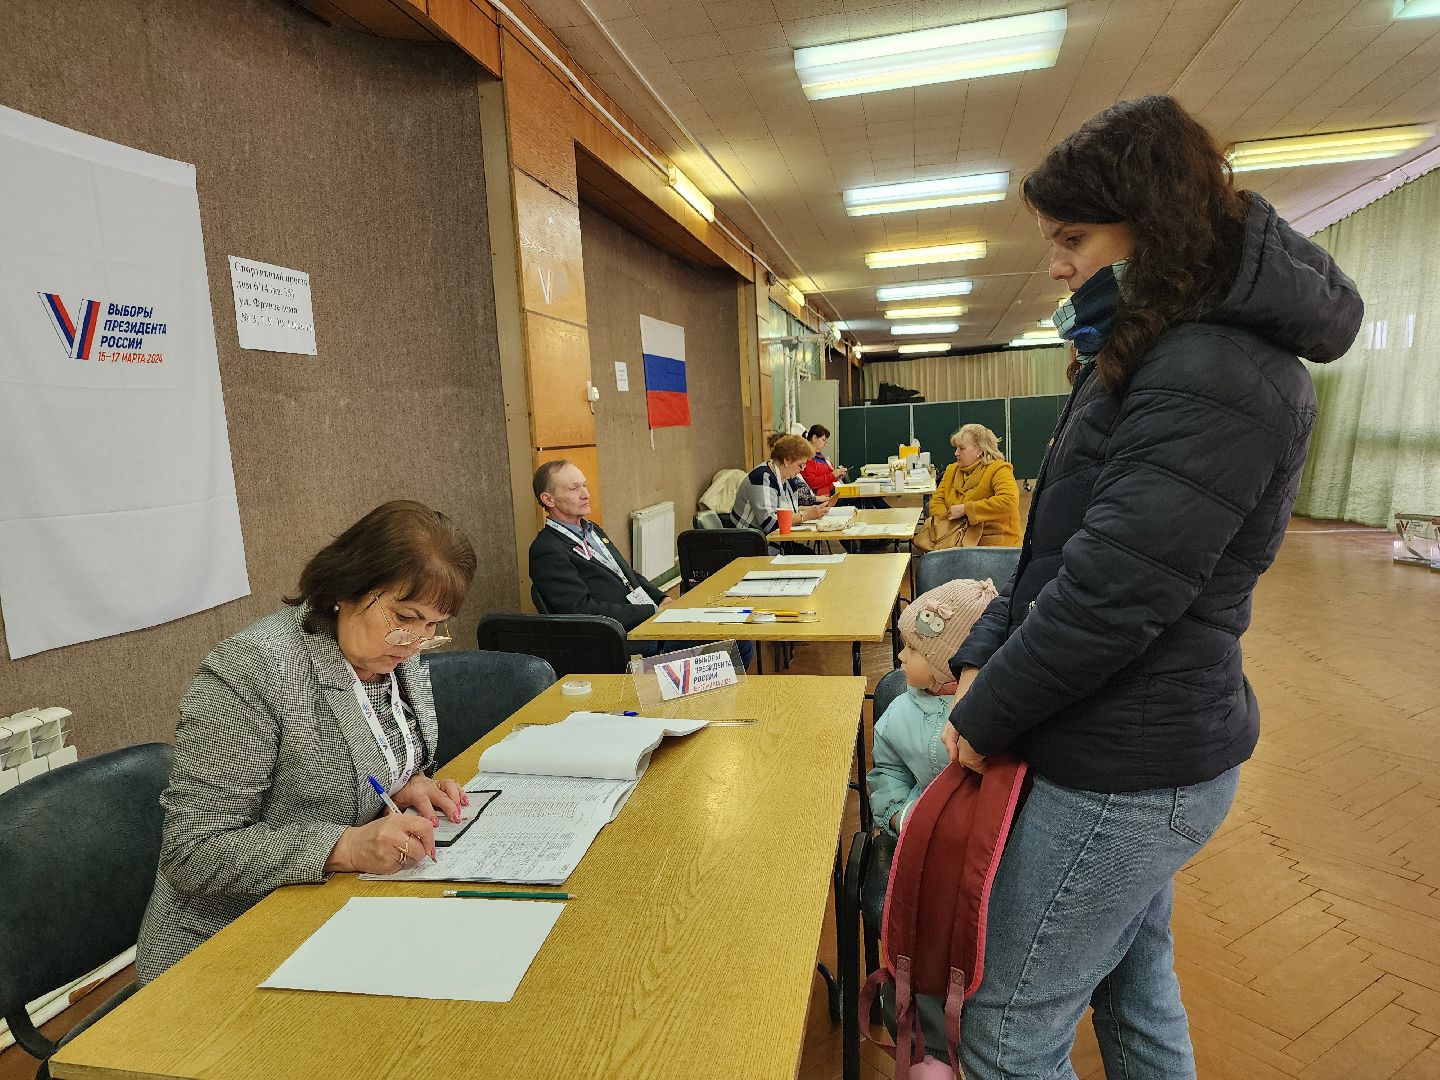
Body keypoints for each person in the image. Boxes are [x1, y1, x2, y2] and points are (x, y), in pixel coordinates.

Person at [940, 95, 1362, 1079]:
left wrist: (986, 707)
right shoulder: (1155, 347)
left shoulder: (1208, 365)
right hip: (1130, 743)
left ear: (1156, 224)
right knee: (1133, 993)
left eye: (1073, 238)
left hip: (1131, 762)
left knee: (1005, 1033)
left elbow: (1111, 597)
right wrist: (975, 655)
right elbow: (1061, 555)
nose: (1057, 264)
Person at [137, 501, 477, 983]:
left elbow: (359, 756)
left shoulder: (394, 652)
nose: (413, 643)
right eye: (405, 617)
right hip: (231, 944)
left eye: (431, 628)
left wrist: (406, 781)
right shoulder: (252, 672)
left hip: (340, 913)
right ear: (344, 589)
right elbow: (193, 851)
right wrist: (347, 848)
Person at [867, 578, 999, 1079]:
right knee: (922, 935)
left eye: (912, 648)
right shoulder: (899, 713)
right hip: (924, 848)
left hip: (987, 852)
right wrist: (900, 814)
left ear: (952, 661)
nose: (899, 658)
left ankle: (983, 1035)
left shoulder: (998, 710)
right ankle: (932, 1046)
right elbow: (887, 774)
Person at [530, 461, 753, 666]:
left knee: (736, 633)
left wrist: (661, 597)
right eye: (574, 489)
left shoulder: (592, 530)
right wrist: (650, 611)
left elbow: (628, 574)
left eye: (585, 486)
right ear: (548, 499)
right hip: (624, 638)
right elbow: (581, 611)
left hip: (647, 621)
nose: (586, 494)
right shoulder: (548, 550)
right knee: (735, 643)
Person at [913, 423, 1021, 551]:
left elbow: (1009, 501)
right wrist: (950, 522)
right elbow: (936, 502)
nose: (956, 453)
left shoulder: (999, 469)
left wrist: (966, 510)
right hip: (954, 540)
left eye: (961, 448)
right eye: (956, 448)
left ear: (980, 450)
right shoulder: (951, 470)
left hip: (994, 544)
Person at [733, 433, 832, 544]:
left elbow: (786, 510)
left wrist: (811, 510)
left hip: (773, 542)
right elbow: (769, 522)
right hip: (748, 545)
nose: (803, 469)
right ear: (787, 460)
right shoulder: (763, 477)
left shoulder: (787, 478)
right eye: (801, 465)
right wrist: (807, 515)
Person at [800, 423, 847, 497]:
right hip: (822, 496)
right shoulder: (807, 458)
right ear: (814, 438)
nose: (825, 444)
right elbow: (812, 482)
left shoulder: (821, 457)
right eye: (823, 440)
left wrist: (837, 476)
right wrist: (832, 476)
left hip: (831, 490)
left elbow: (829, 475)